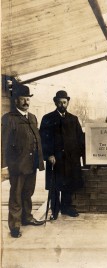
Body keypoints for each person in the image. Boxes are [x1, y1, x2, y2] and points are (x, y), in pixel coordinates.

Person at [1, 84, 45, 238]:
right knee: (16, 195)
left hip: (32, 164)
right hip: (17, 165)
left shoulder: (32, 117)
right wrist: (4, 166)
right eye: (23, 99)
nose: (26, 102)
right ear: (16, 101)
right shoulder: (9, 119)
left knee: (28, 192)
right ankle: (15, 225)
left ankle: (27, 217)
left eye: (28, 99)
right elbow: (4, 143)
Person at [40, 90, 85, 220]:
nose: (62, 105)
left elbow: (80, 138)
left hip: (70, 159)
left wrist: (81, 157)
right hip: (55, 159)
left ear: (68, 102)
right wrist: (48, 155)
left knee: (68, 185)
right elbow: (43, 139)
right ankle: (54, 210)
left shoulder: (73, 119)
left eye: (64, 102)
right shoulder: (47, 118)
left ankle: (66, 208)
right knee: (54, 185)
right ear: (55, 102)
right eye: (59, 102)